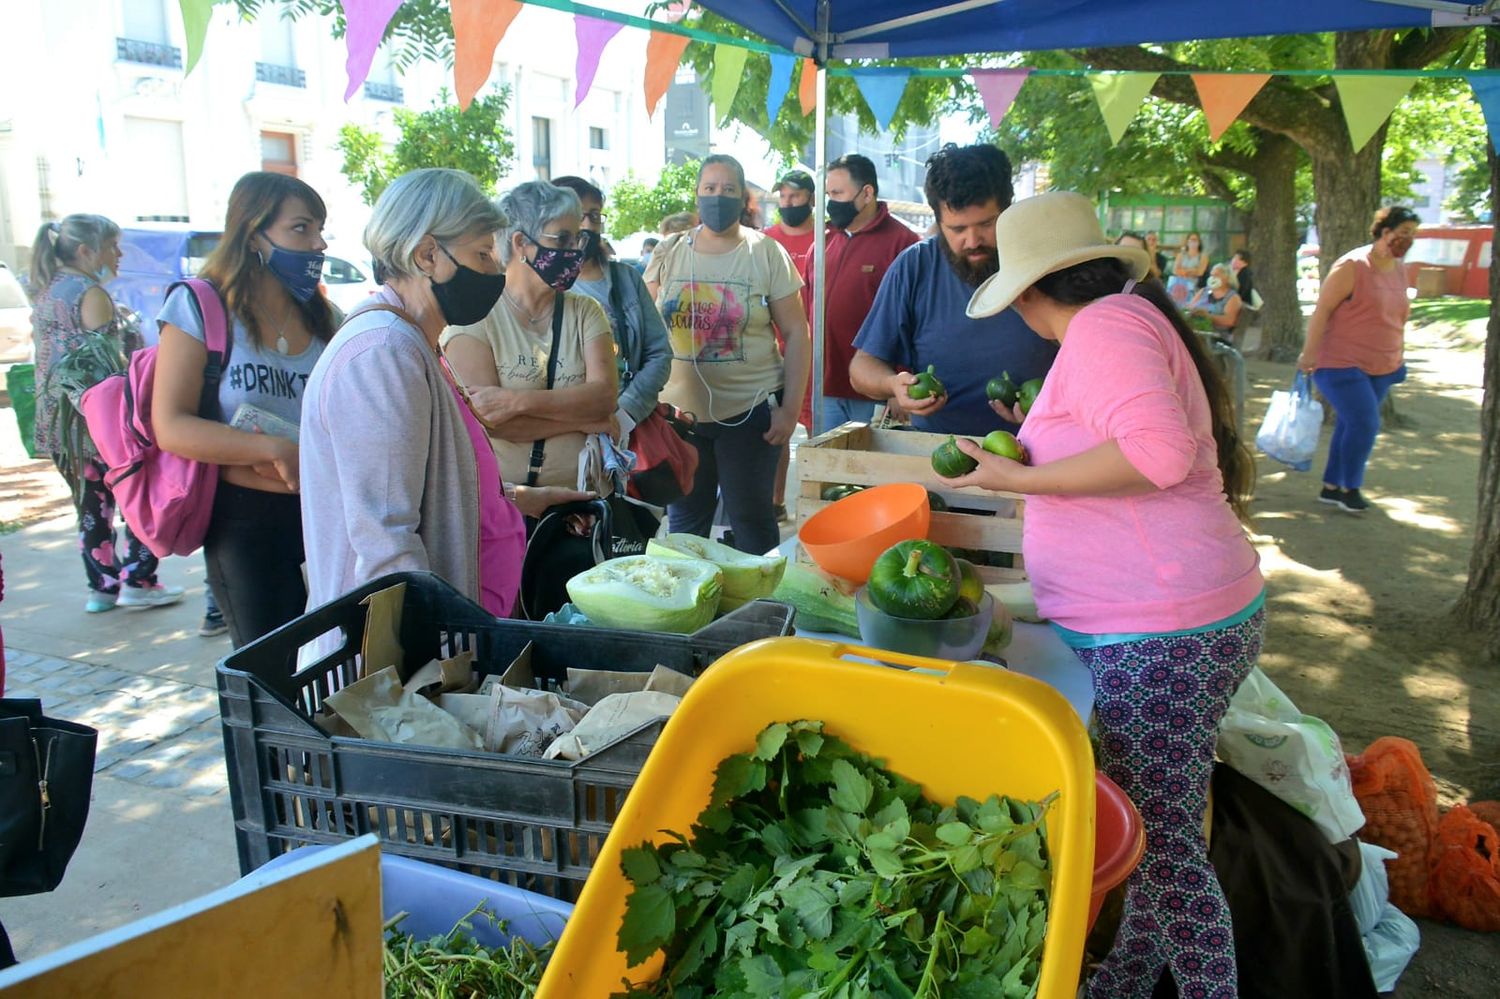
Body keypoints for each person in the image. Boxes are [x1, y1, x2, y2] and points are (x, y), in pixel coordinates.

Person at [940, 191, 1262, 999]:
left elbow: (1156, 453)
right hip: (1167, 622)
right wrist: (1035, 434)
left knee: (1169, 855)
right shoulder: (1120, 322)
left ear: (1025, 291)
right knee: (1160, 830)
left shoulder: (1107, 329)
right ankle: (1119, 983)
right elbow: (1125, 438)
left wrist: (1023, 473)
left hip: (1162, 628)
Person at [301, 169, 574, 617]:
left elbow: (425, 481)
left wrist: (520, 500)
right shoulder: (383, 354)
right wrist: (427, 662)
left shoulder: (413, 340)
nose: (496, 270)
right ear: (428, 254)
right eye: (483, 253)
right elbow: (387, 541)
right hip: (414, 660)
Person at [153, 173, 332, 647]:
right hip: (247, 522)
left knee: (339, 666)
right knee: (270, 675)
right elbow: (170, 425)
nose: (318, 243)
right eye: (301, 229)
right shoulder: (200, 306)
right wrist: (272, 447)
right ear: (253, 234)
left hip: (327, 514)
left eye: (320, 229)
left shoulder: (322, 316)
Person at [645, 154, 810, 556]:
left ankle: (759, 614)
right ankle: (689, 610)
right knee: (684, 527)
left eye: (729, 189)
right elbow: (646, 333)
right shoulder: (668, 253)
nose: (719, 197)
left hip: (751, 415)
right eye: (710, 188)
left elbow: (796, 333)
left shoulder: (767, 253)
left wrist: (789, 412)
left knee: (752, 521)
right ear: (698, 195)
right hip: (680, 420)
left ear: (744, 198)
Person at [30, 214, 183, 613]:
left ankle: (101, 587)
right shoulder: (90, 293)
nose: (118, 254)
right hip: (99, 422)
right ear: (86, 251)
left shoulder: (47, 290)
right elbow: (108, 366)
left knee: (90, 506)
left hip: (62, 421)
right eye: (112, 246)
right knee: (136, 490)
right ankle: (139, 578)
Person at [849, 143, 1055, 436]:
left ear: (1008, 208)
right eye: (957, 229)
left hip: (1040, 454)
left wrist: (1055, 407)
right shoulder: (915, 266)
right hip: (940, 455)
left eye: (986, 224)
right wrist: (893, 384)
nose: (973, 241)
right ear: (938, 220)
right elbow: (862, 367)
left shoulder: (1048, 263)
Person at [442, 181, 619, 493]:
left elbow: (604, 397)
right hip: (508, 505)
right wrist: (579, 420)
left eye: (576, 238)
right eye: (562, 238)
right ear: (521, 242)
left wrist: (515, 401)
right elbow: (491, 422)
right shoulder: (475, 317)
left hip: (584, 504)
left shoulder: (586, 312)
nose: (575, 250)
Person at [1297, 206, 1419, 515]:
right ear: (1384, 231)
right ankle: (1351, 488)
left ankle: (1331, 487)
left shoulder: (1400, 268)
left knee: (1351, 423)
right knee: (1366, 422)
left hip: (1382, 364)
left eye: (1412, 234)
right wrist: (1309, 353)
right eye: (1403, 233)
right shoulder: (1353, 265)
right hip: (1340, 361)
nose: (1407, 240)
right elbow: (1322, 310)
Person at [802, 153, 919, 434]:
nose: (831, 202)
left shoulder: (904, 244)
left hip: (877, 392)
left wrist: (898, 383)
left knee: (873, 477)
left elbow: (914, 318)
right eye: (828, 194)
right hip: (825, 389)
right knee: (826, 474)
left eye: (838, 193)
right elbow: (806, 311)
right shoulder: (822, 243)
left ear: (867, 193)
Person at [551, 176, 671, 442]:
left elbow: (659, 353)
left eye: (594, 216)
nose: (586, 225)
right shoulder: (542, 286)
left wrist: (624, 414)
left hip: (628, 427)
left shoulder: (626, 280)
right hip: (563, 432)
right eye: (577, 215)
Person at [762, 169, 817, 272]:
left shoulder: (827, 239)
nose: (787, 203)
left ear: (812, 199)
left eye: (794, 196)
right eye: (782, 196)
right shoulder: (765, 240)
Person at [1187, 262, 1243, 335]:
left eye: (1216, 275)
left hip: (1215, 334)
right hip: (1196, 330)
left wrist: (1207, 316)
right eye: (1211, 275)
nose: (1212, 278)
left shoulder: (1233, 297)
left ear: (1227, 278)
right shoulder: (1203, 291)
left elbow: (1229, 321)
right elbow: (1189, 307)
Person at [1167, 231, 1208, 303]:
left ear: (1199, 242)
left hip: (1194, 286)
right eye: (1191, 240)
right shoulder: (1181, 255)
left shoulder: (1203, 257)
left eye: (1195, 240)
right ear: (1187, 241)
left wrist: (1183, 270)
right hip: (1179, 285)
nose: (1193, 242)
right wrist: (1192, 270)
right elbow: (1175, 270)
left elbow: (1199, 272)